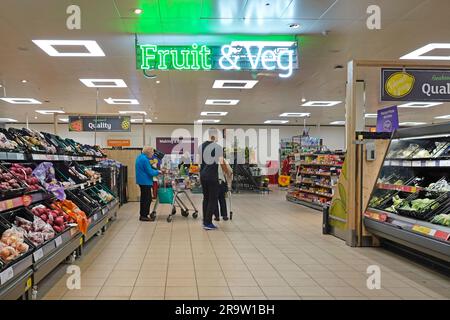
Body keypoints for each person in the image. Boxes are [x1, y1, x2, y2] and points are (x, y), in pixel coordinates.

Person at [198, 128, 228, 230]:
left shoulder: (201, 146)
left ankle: (205, 221)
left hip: (203, 176)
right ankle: (208, 223)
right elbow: (222, 162)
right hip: (212, 176)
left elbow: (199, 162)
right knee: (213, 199)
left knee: (206, 198)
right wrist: (227, 173)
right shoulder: (217, 147)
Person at [135, 146, 160, 221]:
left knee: (144, 198)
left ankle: (143, 214)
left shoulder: (140, 157)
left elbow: (147, 168)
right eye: (152, 152)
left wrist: (154, 167)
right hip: (145, 181)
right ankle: (144, 216)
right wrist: (158, 172)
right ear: (148, 152)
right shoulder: (145, 160)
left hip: (141, 181)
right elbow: (150, 172)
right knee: (147, 199)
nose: (152, 154)